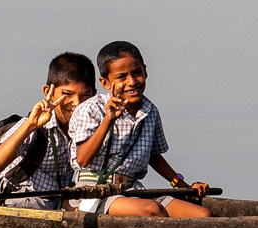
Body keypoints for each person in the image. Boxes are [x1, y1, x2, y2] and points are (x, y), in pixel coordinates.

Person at [69, 40, 211, 218]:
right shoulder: (91, 109)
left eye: (137, 73)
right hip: (94, 193)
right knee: (153, 210)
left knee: (202, 215)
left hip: (132, 190)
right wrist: (108, 120)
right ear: (105, 83)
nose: (132, 82)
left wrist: (183, 186)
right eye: (121, 77)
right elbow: (82, 159)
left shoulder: (150, 111)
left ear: (145, 71)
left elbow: (154, 156)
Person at [0, 51, 95, 210]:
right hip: (20, 200)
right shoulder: (36, 125)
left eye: (85, 96)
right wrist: (30, 125)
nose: (77, 103)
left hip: (56, 200)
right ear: (48, 92)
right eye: (67, 94)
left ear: (94, 96)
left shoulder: (90, 128)